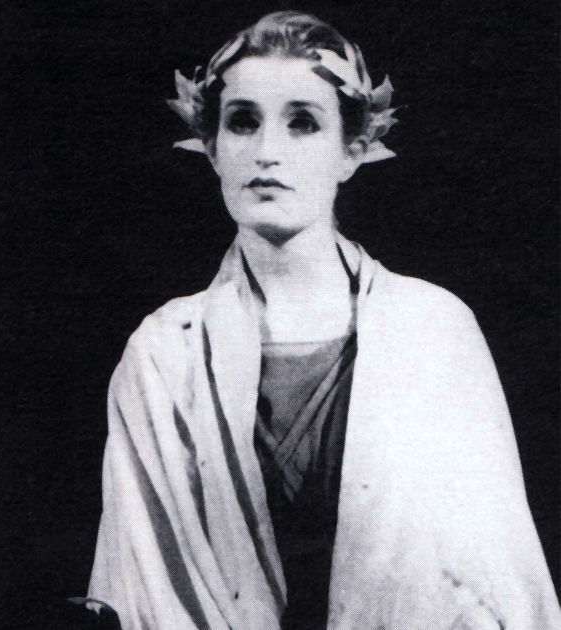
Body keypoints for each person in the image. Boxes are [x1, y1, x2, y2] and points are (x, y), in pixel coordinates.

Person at [83, 11, 561, 630]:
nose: (267, 153)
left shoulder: (435, 332)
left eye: (302, 123)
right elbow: (140, 587)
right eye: (243, 121)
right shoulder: (162, 353)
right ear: (212, 147)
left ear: (352, 151)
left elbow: (496, 582)